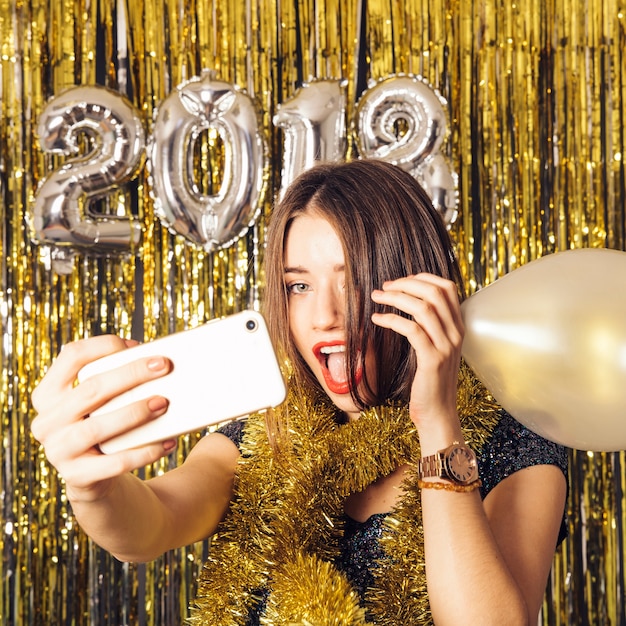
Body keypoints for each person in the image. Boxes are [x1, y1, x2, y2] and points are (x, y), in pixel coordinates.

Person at [31, 159, 568, 625]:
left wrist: (437, 426)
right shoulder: (266, 430)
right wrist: (92, 485)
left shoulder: (514, 442)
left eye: (353, 280)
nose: (325, 319)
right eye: (299, 286)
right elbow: (150, 525)